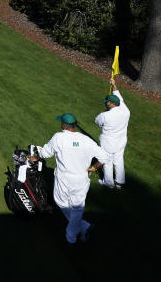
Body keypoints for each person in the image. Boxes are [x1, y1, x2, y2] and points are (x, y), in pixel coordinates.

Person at [30, 112, 110, 244]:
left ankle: (71, 238)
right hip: (82, 180)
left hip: (64, 179)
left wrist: (35, 157)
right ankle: (84, 227)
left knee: (61, 203)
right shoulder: (87, 140)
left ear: (64, 125)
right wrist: (94, 168)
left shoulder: (58, 138)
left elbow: (45, 153)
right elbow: (105, 157)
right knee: (77, 208)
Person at [95, 76, 131, 189]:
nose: (106, 103)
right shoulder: (125, 110)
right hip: (121, 141)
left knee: (107, 161)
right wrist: (114, 85)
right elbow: (119, 97)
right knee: (119, 160)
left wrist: (106, 112)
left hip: (108, 142)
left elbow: (97, 122)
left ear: (111, 104)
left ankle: (109, 183)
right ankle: (120, 182)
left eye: (107, 102)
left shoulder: (105, 115)